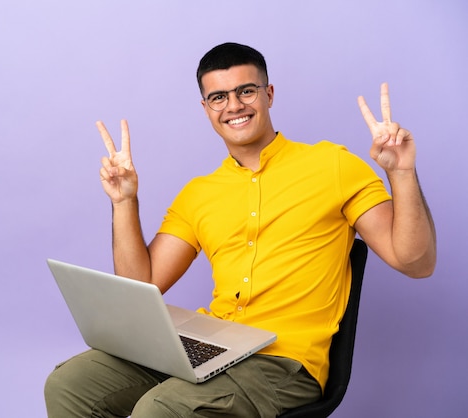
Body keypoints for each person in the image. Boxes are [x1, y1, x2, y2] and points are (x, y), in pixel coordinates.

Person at [44, 42, 436, 417]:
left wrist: (401, 173)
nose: (233, 105)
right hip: (210, 345)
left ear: (269, 94)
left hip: (282, 364)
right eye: (219, 97)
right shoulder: (199, 193)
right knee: (70, 384)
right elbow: (140, 282)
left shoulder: (333, 165)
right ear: (205, 107)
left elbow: (415, 262)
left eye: (245, 91)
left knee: (162, 409)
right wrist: (124, 202)